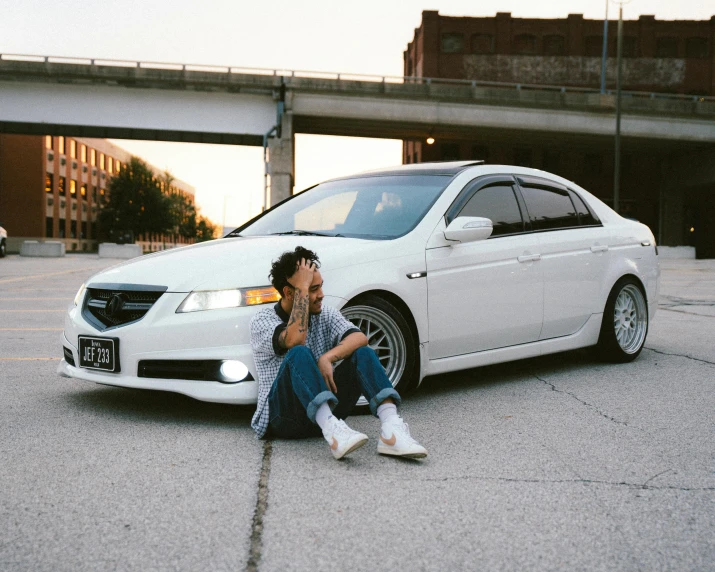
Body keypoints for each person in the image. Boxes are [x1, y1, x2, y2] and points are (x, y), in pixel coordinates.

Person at [250, 246, 427, 460]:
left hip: (326, 412)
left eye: (320, 286)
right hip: (284, 418)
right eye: (312, 289)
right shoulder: (262, 320)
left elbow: (359, 337)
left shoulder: (326, 315)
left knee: (362, 352)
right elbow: (295, 339)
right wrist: (303, 289)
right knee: (298, 352)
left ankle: (392, 431)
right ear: (289, 293)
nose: (321, 295)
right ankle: (333, 431)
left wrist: (328, 357)